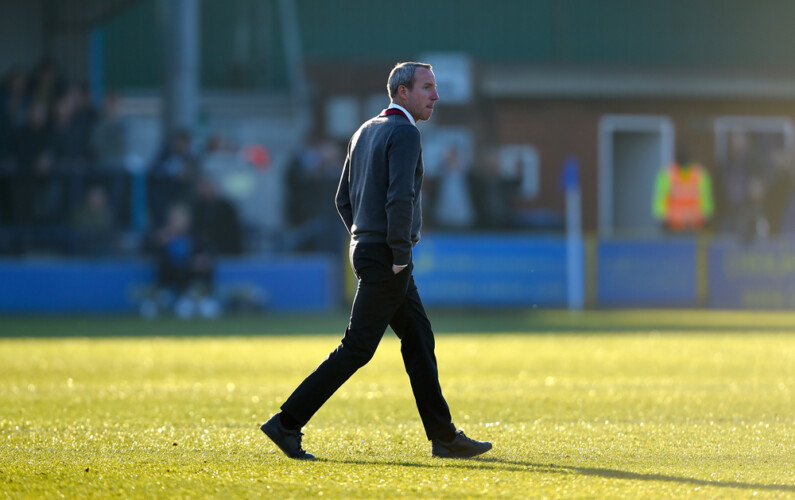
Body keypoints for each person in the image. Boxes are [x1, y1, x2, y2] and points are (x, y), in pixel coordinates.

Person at [260, 62, 492, 460]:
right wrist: (398, 253)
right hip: (388, 255)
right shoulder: (405, 132)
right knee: (357, 347)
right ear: (402, 92)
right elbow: (400, 197)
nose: (435, 95)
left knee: (418, 339)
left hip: (371, 249)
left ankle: (444, 437)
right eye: (427, 87)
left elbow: (342, 200)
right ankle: (286, 422)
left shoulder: (364, 131)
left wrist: (363, 238)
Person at [652, 152, 714, 232]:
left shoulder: (700, 174)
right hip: (673, 227)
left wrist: (706, 218)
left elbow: (706, 200)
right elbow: (660, 199)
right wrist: (662, 219)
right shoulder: (667, 174)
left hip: (695, 227)